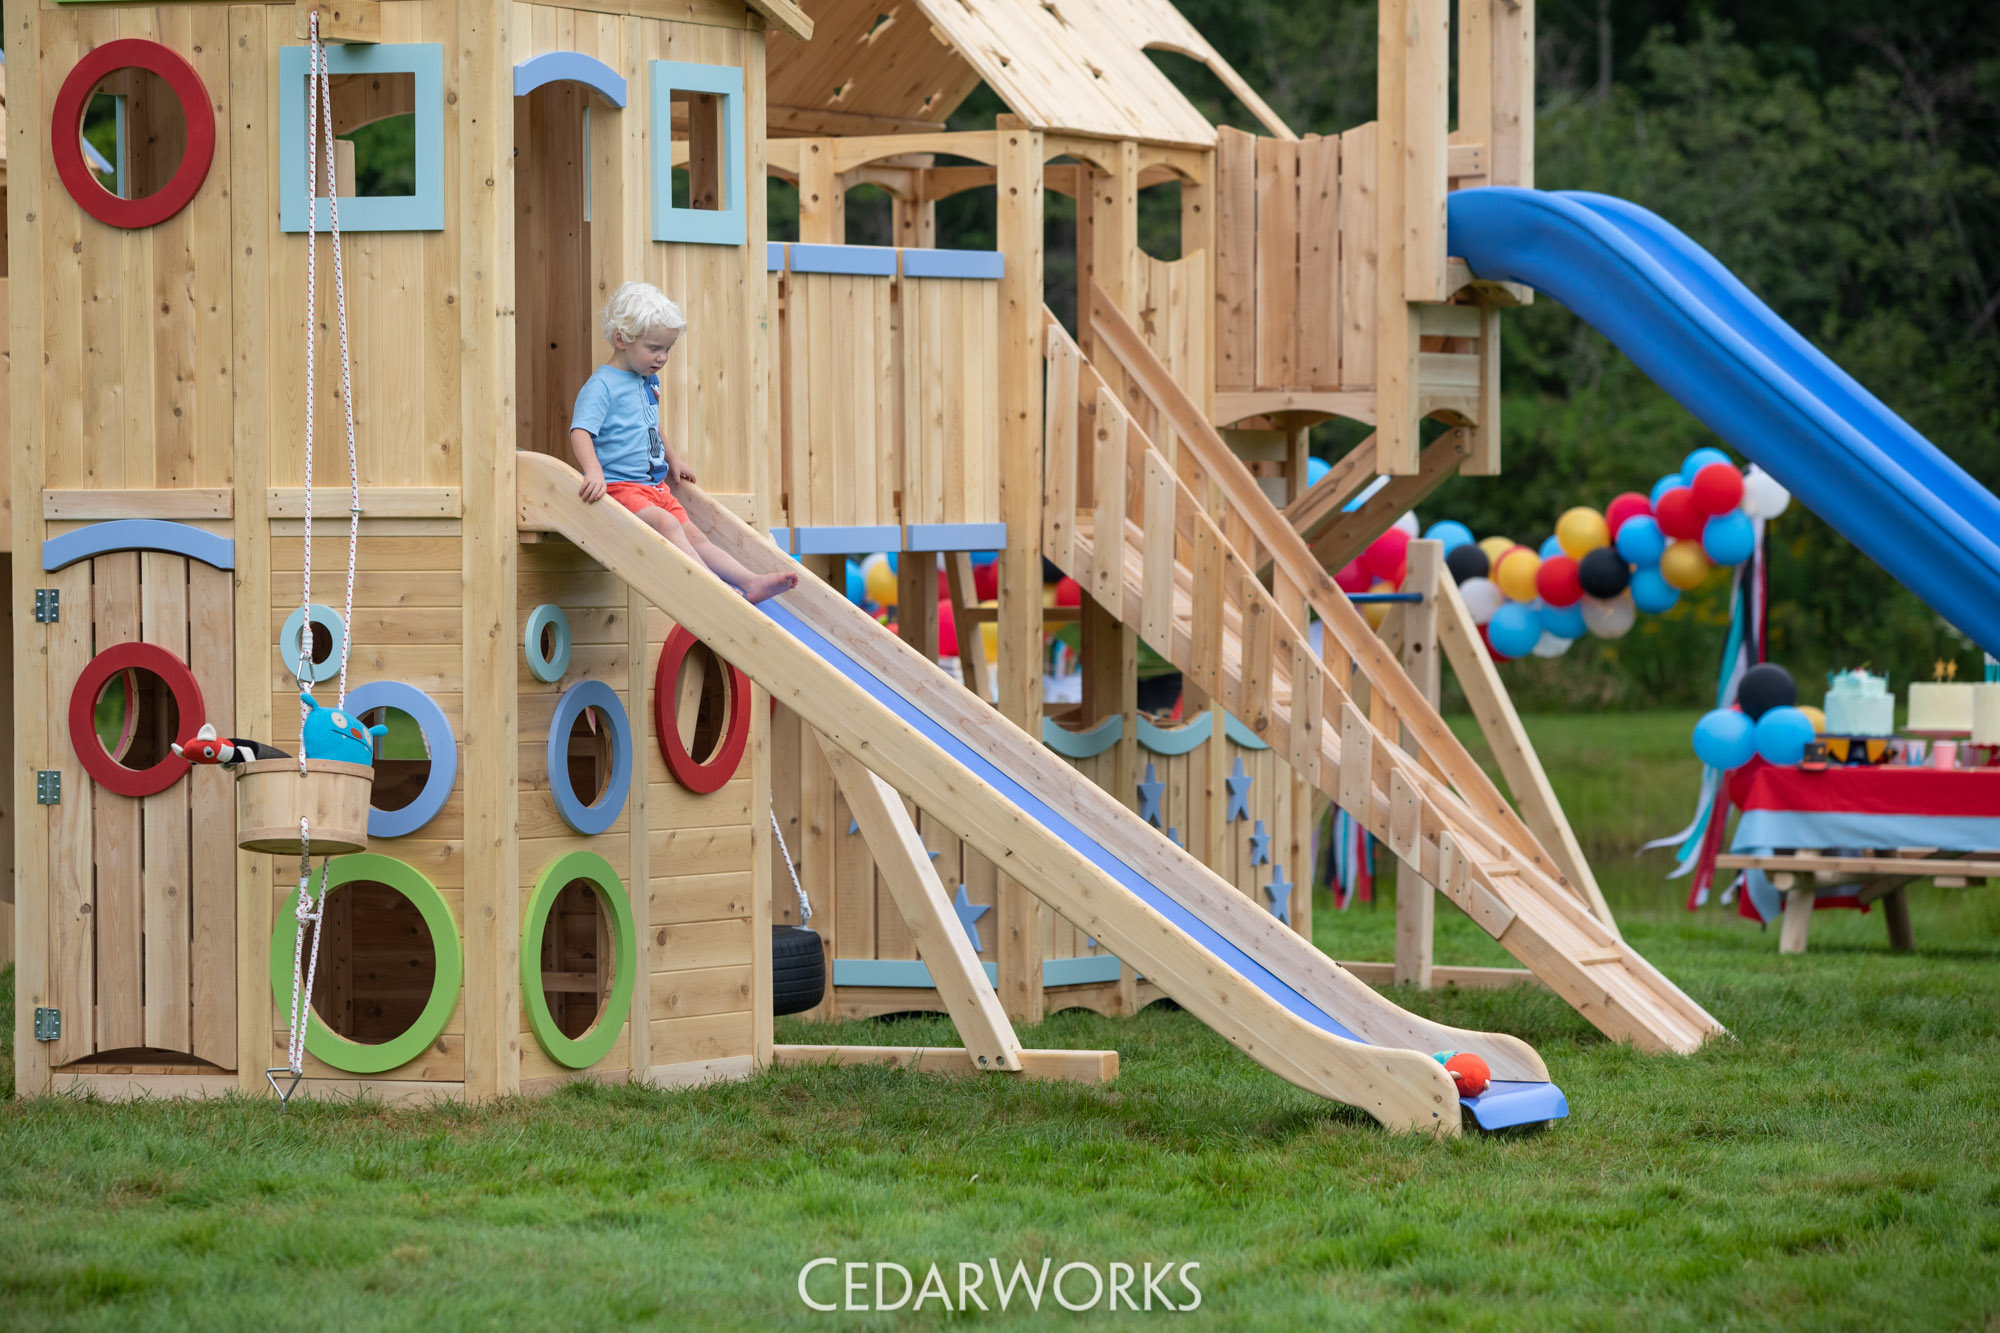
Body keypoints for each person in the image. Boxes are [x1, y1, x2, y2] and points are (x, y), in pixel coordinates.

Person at [569, 281, 797, 604]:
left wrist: (672, 458)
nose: (662, 357)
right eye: (654, 348)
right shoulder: (602, 386)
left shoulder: (647, 379)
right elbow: (580, 431)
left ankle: (751, 582)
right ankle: (715, 589)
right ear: (621, 339)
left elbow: (651, 423)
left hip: (655, 489)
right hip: (621, 489)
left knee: (695, 535)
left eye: (667, 349)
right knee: (667, 524)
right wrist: (593, 470)